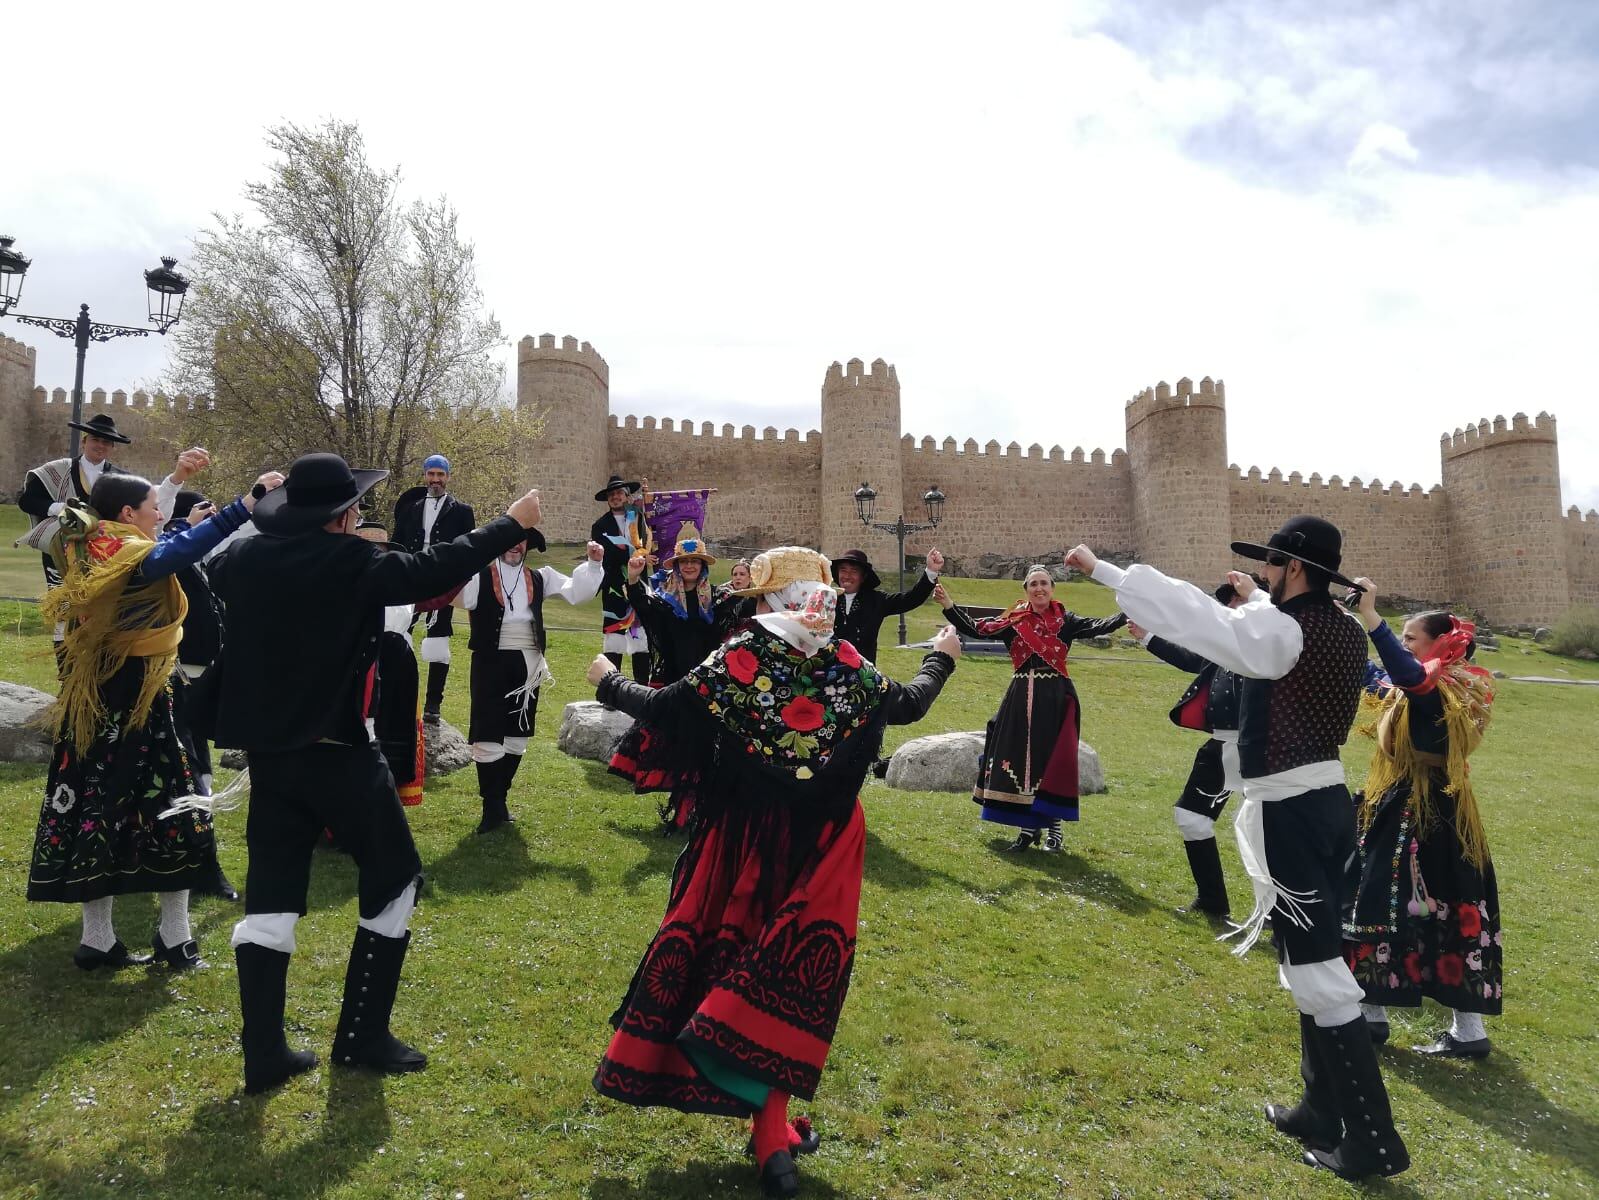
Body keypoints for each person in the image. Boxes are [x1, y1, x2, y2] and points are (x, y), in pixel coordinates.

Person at [585, 547, 962, 1199]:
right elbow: (908, 704)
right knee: (788, 979)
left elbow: (669, 709)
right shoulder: (846, 663)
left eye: (759, 598)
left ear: (777, 600)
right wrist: (942, 657)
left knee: (732, 966)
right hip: (822, 843)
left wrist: (603, 679)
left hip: (741, 840)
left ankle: (768, 1131)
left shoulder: (743, 656)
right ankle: (772, 1132)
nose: (754, 609)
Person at [1068, 516, 1409, 1180]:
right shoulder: (1338, 627)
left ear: (1294, 568)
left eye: (1270, 566)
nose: (1262, 576)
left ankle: (1373, 1142)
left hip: (1296, 815)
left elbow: (1202, 622)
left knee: (1318, 976)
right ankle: (1320, 1110)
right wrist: (1252, 601)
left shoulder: (1285, 630)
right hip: (1319, 805)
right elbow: (1249, 634)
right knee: (1308, 966)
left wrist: (1105, 572)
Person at [208, 452, 542, 1094]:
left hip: (273, 759)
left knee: (272, 899)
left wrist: (257, 507)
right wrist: (511, 523)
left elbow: (218, 558)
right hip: (340, 754)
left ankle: (264, 1054)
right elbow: (433, 567)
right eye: (355, 508)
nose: (362, 515)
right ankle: (361, 1034)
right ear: (340, 518)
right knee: (394, 881)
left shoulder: (244, 559)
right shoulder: (352, 564)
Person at [26, 467, 274, 971]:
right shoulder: (128, 555)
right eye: (153, 508)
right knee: (173, 812)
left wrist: (194, 511)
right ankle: (174, 939)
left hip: (98, 705)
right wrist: (244, 505)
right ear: (126, 515)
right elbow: (169, 554)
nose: (161, 513)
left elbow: (170, 540)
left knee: (96, 812)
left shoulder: (90, 544)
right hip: (138, 703)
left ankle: (99, 941)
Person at [1343, 583, 1501, 1059]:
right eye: (1404, 637)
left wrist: (1375, 620)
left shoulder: (1449, 689)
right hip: (1408, 803)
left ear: (1441, 644)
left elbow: (1410, 679)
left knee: (1418, 902)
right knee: (1395, 900)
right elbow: (1379, 677)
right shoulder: (1424, 683)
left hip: (1429, 811)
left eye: (1413, 637)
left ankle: (1464, 1031)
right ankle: (1375, 1015)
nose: (1406, 644)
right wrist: (1343, 626)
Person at [938, 569, 1126, 852]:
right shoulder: (1014, 621)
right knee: (1018, 759)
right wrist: (948, 605)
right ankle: (1027, 829)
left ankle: (1054, 829)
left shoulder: (1067, 620)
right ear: (1026, 589)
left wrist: (1127, 613)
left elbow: (1099, 626)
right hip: (1020, 694)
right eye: (1034, 584)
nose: (1039, 589)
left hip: (1056, 697)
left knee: (1050, 761)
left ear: (1053, 588)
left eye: (1044, 584)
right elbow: (977, 628)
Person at [17, 415, 209, 655]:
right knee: (66, 607)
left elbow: (145, 510)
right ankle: (65, 659)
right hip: (64, 550)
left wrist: (176, 479)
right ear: (85, 441)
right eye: (96, 440)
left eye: (106, 443)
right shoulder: (58, 471)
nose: (100, 446)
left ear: (112, 447)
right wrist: (60, 509)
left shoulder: (120, 478)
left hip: (106, 553)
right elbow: (26, 500)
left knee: (102, 609)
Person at [458, 533, 604, 833]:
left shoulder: (540, 577)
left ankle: (499, 801)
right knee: (487, 736)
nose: (516, 544)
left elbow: (578, 593)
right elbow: (457, 594)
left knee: (516, 737)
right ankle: (492, 808)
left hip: (528, 665)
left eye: (522, 540)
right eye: (512, 538)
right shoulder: (479, 576)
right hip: (489, 662)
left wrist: (593, 563)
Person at [1127, 578, 1252, 918]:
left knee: (1264, 830)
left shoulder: (1271, 648)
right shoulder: (1223, 643)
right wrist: (1147, 636)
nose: (1231, 609)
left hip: (1261, 750)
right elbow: (1189, 659)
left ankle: (1277, 912)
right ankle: (1212, 901)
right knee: (1191, 818)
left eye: (1239, 602)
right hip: (1220, 745)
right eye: (1229, 604)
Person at [607, 524, 736, 827]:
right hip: (675, 683)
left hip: (709, 684)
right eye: (684, 563)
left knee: (705, 747)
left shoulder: (719, 601)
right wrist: (635, 577)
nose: (690, 566)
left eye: (695, 562)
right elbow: (643, 607)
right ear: (677, 567)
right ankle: (682, 809)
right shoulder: (666, 602)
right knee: (678, 747)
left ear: (703, 567)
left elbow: (745, 616)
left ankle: (699, 809)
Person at [163, 489, 242, 901]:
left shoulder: (202, 559)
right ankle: (201, 867)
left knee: (202, 775)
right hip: (177, 679)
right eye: (204, 513)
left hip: (204, 679)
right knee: (188, 774)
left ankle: (203, 865)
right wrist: (183, 525)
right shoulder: (169, 555)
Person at [393, 454, 477, 723]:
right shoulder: (410, 508)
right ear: (425, 476)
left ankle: (433, 704)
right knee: (399, 632)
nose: (436, 480)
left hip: (444, 581)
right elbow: (397, 543)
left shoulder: (462, 511)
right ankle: (399, 696)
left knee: (439, 640)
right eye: (431, 474)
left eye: (440, 475)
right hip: (412, 577)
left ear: (448, 477)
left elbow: (470, 549)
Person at [354, 520, 428, 810]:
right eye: (370, 549)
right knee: (363, 726)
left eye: (381, 550)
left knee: (396, 728)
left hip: (399, 665)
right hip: (362, 659)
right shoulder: (347, 581)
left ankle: (389, 795)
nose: (377, 555)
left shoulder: (402, 584)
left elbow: (438, 592)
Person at [829, 546, 944, 663]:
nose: (847, 576)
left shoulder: (876, 601)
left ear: (863, 577)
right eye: (843, 570)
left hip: (862, 675)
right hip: (826, 673)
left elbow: (911, 599)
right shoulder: (826, 598)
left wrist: (931, 571)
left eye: (854, 571)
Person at [591, 473, 653, 682]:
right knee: (614, 639)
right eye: (612, 494)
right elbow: (604, 556)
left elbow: (649, 543)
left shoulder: (639, 519)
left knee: (641, 638)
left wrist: (643, 556)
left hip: (639, 585)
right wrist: (630, 556)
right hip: (615, 587)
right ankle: (612, 688)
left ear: (626, 496)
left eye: (619, 493)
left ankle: (642, 689)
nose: (615, 497)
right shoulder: (600, 526)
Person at [714, 557, 758, 641]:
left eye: (742, 574)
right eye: (735, 574)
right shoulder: (722, 596)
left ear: (750, 578)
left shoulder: (755, 599)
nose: (738, 577)